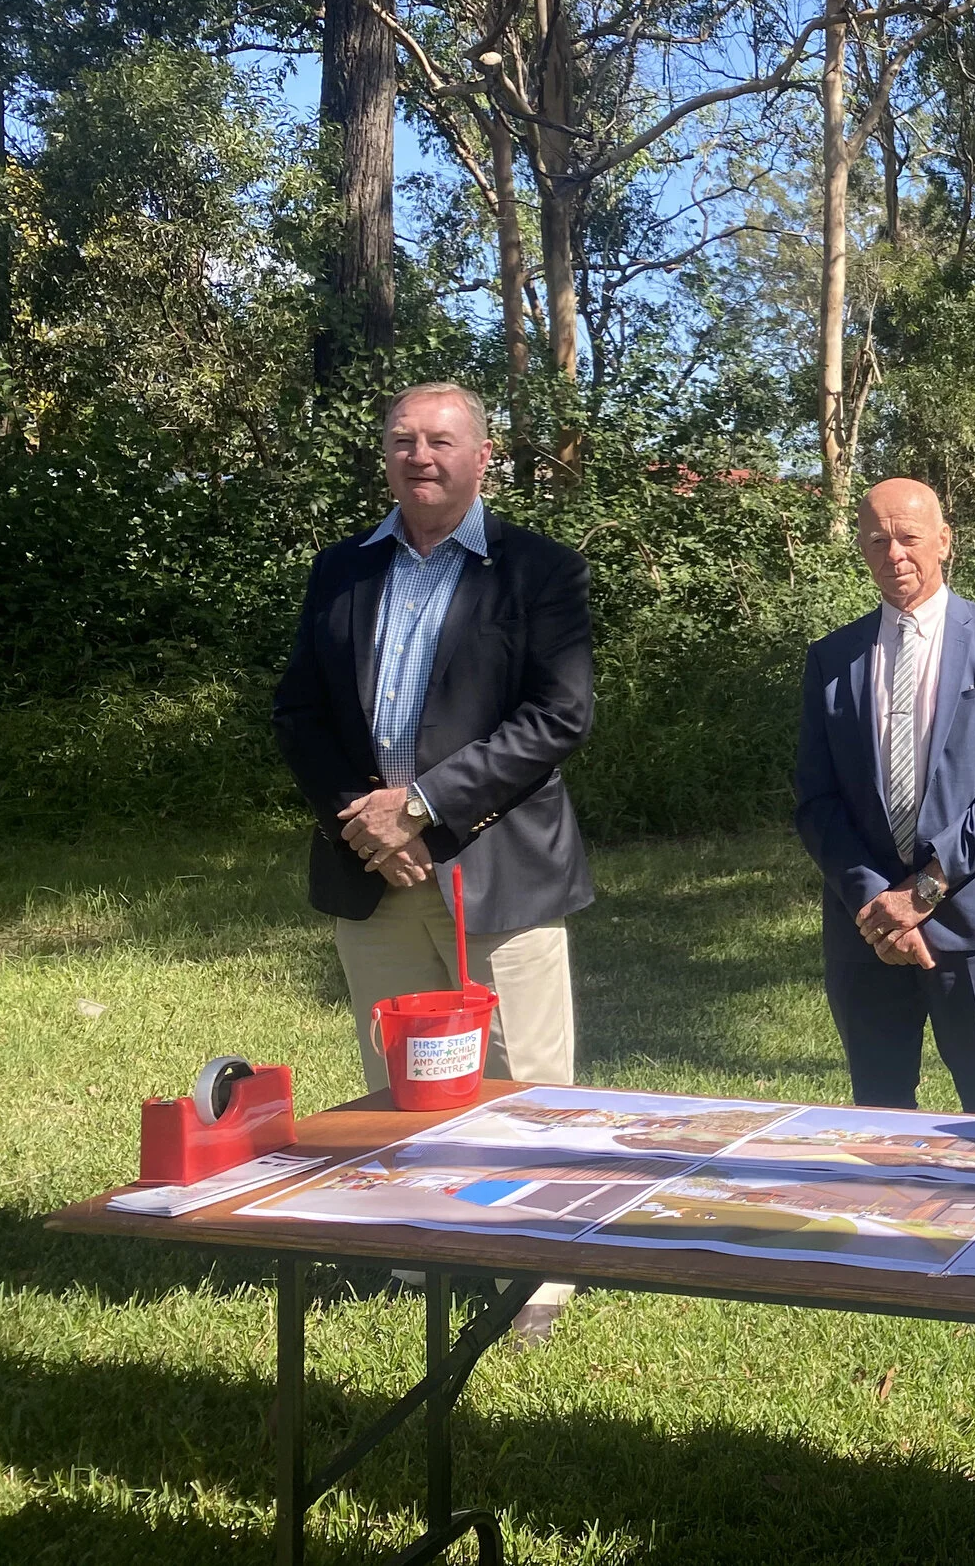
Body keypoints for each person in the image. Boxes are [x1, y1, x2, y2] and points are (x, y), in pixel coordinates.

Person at [273, 380, 594, 1338]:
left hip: (495, 864)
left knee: (521, 1072)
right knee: (397, 1070)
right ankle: (423, 1248)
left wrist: (420, 805)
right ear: (386, 456)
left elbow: (559, 715)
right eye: (405, 440)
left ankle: (536, 1272)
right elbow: (297, 712)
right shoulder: (343, 569)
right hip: (371, 871)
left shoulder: (537, 570)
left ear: (482, 457)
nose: (422, 455)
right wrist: (360, 821)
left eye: (443, 440)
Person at [795, 478, 975, 1117]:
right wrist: (874, 900)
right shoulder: (832, 658)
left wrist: (924, 892)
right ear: (860, 547)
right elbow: (816, 799)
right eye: (877, 540)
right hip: (868, 930)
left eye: (909, 537)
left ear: (944, 541)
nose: (894, 554)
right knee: (879, 1124)